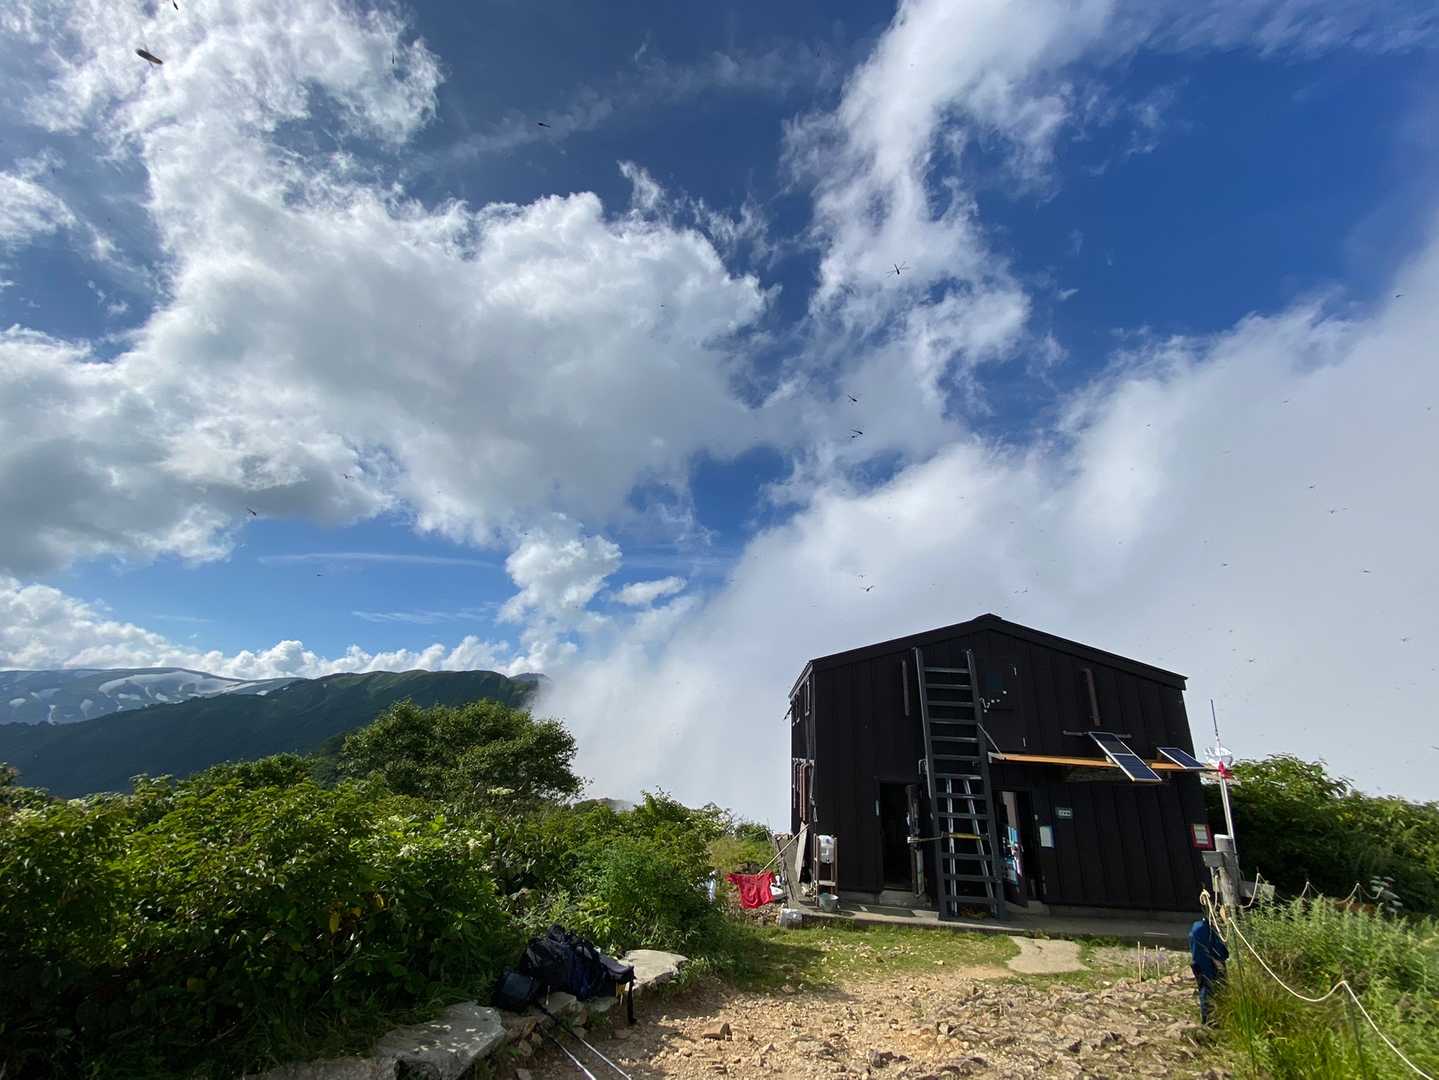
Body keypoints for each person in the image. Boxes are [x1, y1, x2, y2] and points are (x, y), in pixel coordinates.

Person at [1189, 913, 1229, 1025]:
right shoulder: (1210, 931)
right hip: (1210, 966)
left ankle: (1206, 1019)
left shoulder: (1196, 926)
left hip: (1197, 964)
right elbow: (1221, 953)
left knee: (1203, 990)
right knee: (1212, 991)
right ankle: (1213, 1020)